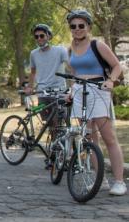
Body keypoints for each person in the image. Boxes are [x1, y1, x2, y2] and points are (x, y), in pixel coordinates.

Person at [64, 10, 126, 195]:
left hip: (99, 90)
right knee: (91, 138)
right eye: (73, 26)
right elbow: (76, 74)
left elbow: (116, 66)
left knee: (109, 138)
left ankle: (120, 182)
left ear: (88, 27)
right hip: (80, 93)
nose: (77, 29)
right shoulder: (70, 49)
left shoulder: (97, 45)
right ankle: (102, 180)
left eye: (81, 25)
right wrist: (71, 90)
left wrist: (111, 81)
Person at [24, 24, 68, 126]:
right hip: (43, 93)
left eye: (42, 36)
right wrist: (29, 87)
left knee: (60, 124)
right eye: (36, 36)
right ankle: (53, 142)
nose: (39, 38)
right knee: (50, 125)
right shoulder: (34, 54)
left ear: (49, 36)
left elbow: (71, 66)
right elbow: (33, 72)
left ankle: (61, 142)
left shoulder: (60, 50)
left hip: (58, 93)